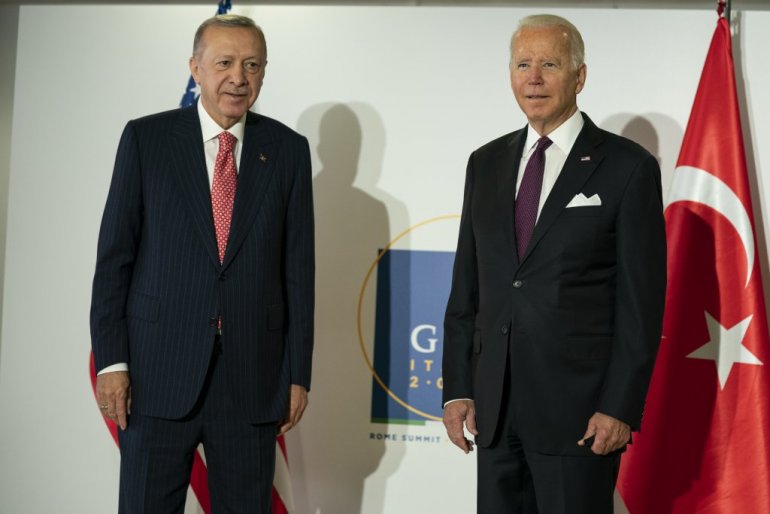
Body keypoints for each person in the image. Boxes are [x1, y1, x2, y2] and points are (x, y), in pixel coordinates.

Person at [442, 14, 666, 514]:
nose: (534, 78)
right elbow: (467, 287)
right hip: (495, 413)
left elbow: (641, 305)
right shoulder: (485, 162)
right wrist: (457, 388)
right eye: (523, 64)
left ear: (579, 76)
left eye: (549, 64)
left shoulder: (628, 167)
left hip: (580, 416)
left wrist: (619, 406)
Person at [90, 14, 314, 514]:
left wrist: (298, 373)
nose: (239, 77)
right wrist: (112, 362)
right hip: (156, 374)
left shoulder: (288, 151)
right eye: (225, 63)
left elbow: (299, 273)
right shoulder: (146, 140)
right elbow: (114, 261)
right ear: (195, 68)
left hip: (251, 380)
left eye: (252, 65)